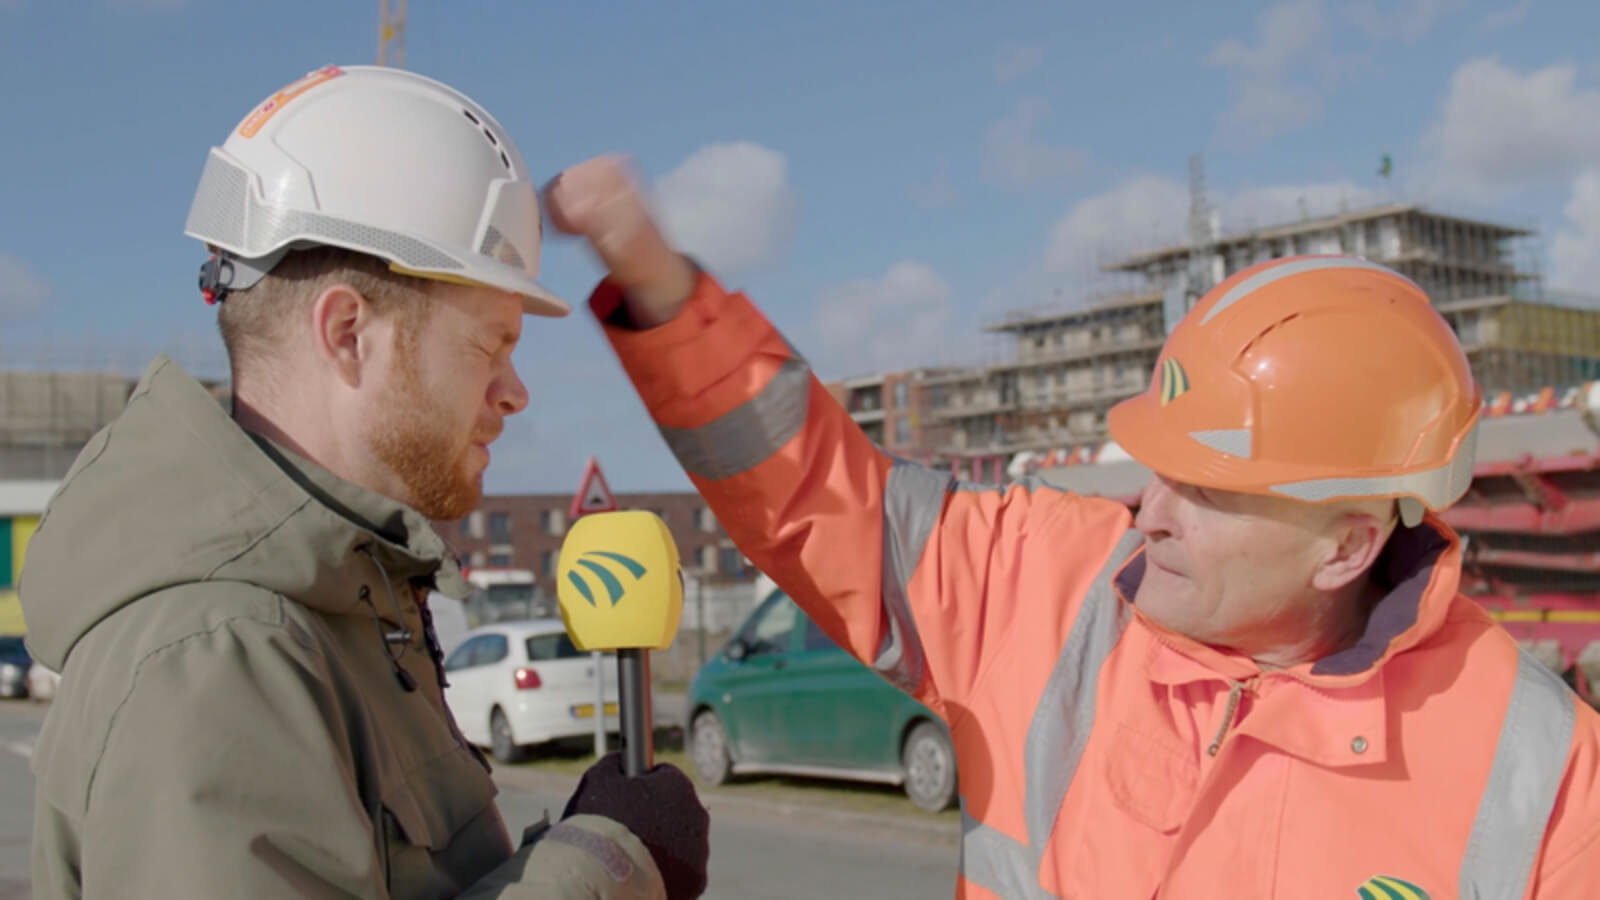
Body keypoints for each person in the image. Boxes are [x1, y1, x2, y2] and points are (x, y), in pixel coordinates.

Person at [542, 156, 1600, 899]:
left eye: (1210, 491)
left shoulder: (1543, 772)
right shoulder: (1045, 584)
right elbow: (811, 490)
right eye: (1156, 468)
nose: (1149, 512)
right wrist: (657, 284)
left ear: (1348, 544)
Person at [20, 68, 709, 900]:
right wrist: (606, 866)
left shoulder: (339, 605)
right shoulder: (213, 661)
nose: (515, 391)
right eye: (490, 345)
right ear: (349, 331)